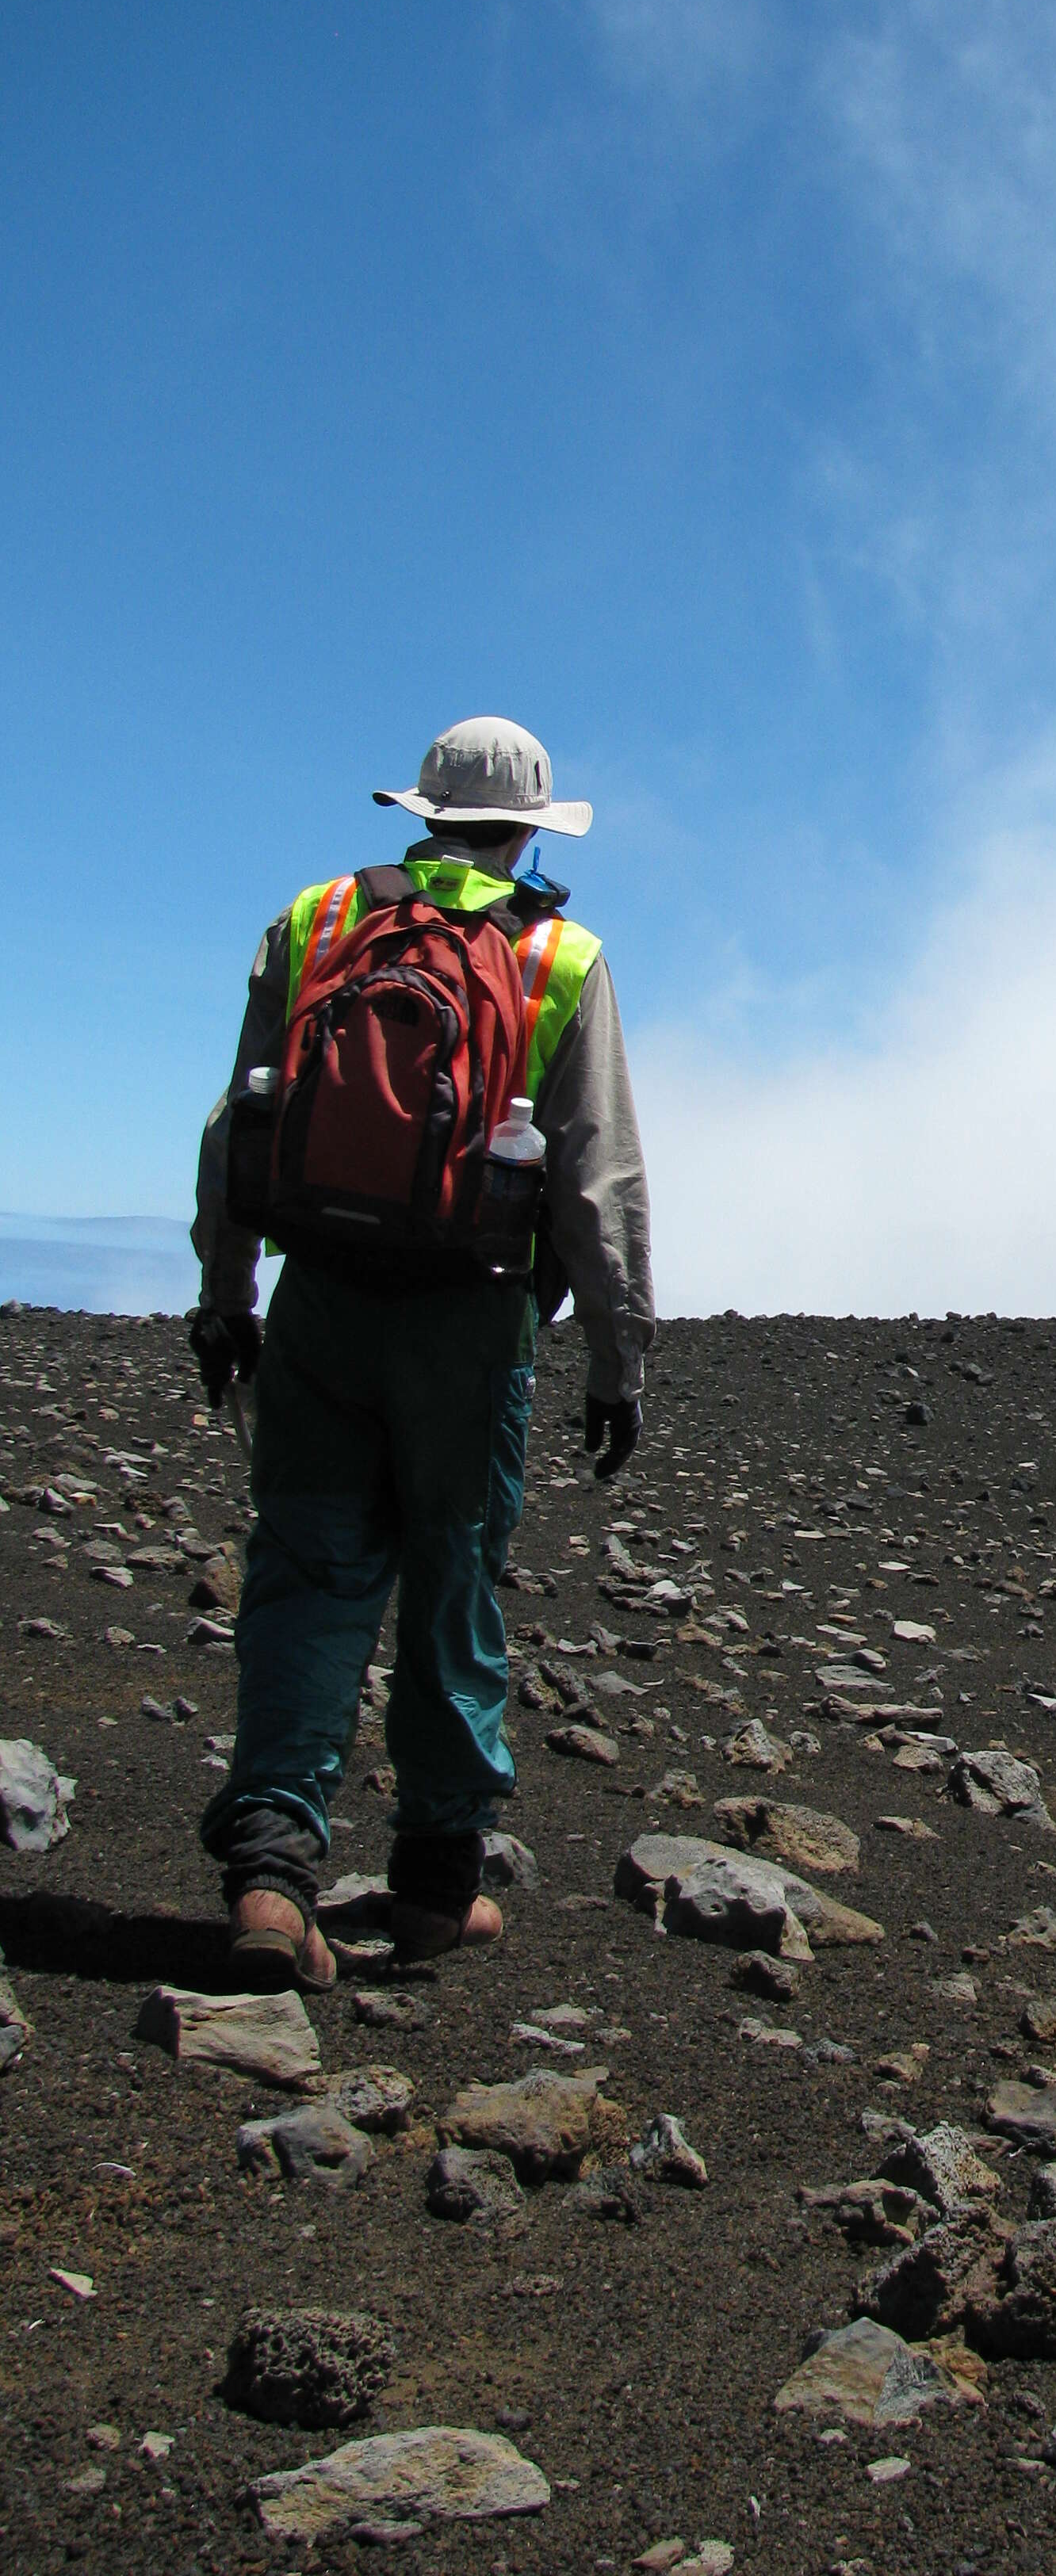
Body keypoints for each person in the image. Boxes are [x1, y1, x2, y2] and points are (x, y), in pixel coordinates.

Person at [188, 717, 654, 1989]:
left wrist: (226, 1295)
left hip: (321, 1304)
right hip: (474, 1321)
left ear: (425, 812)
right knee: (456, 1589)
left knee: (305, 1578)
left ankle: (274, 1886)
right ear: (531, 830)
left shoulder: (318, 924)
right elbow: (595, 1181)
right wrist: (620, 1361)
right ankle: (437, 1895)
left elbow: (239, 1124)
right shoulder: (561, 954)